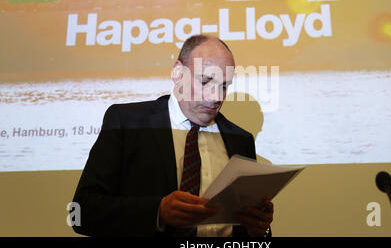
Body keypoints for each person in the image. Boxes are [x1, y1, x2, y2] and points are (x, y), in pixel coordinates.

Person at [72, 34, 274, 237]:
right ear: (178, 73)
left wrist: (259, 229)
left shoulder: (241, 140)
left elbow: (248, 232)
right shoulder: (126, 122)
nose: (216, 98)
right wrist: (158, 212)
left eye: (224, 86)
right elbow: (81, 212)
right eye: (206, 81)